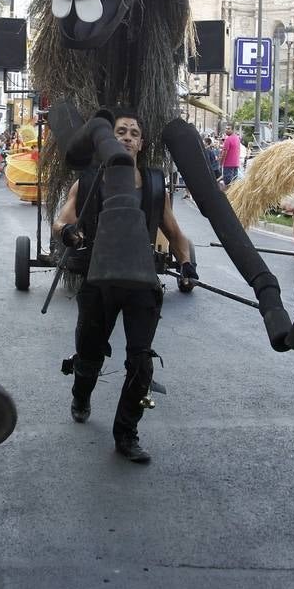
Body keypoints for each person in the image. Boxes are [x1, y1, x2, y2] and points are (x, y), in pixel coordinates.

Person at [54, 112, 195, 464]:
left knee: (141, 361)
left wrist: (187, 263)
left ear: (141, 143)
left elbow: (175, 234)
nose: (128, 137)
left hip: (141, 282)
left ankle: (126, 433)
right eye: (121, 132)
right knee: (89, 355)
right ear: (109, 138)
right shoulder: (88, 182)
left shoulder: (152, 184)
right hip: (98, 282)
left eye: (134, 133)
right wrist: (67, 233)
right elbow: (62, 220)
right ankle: (82, 394)